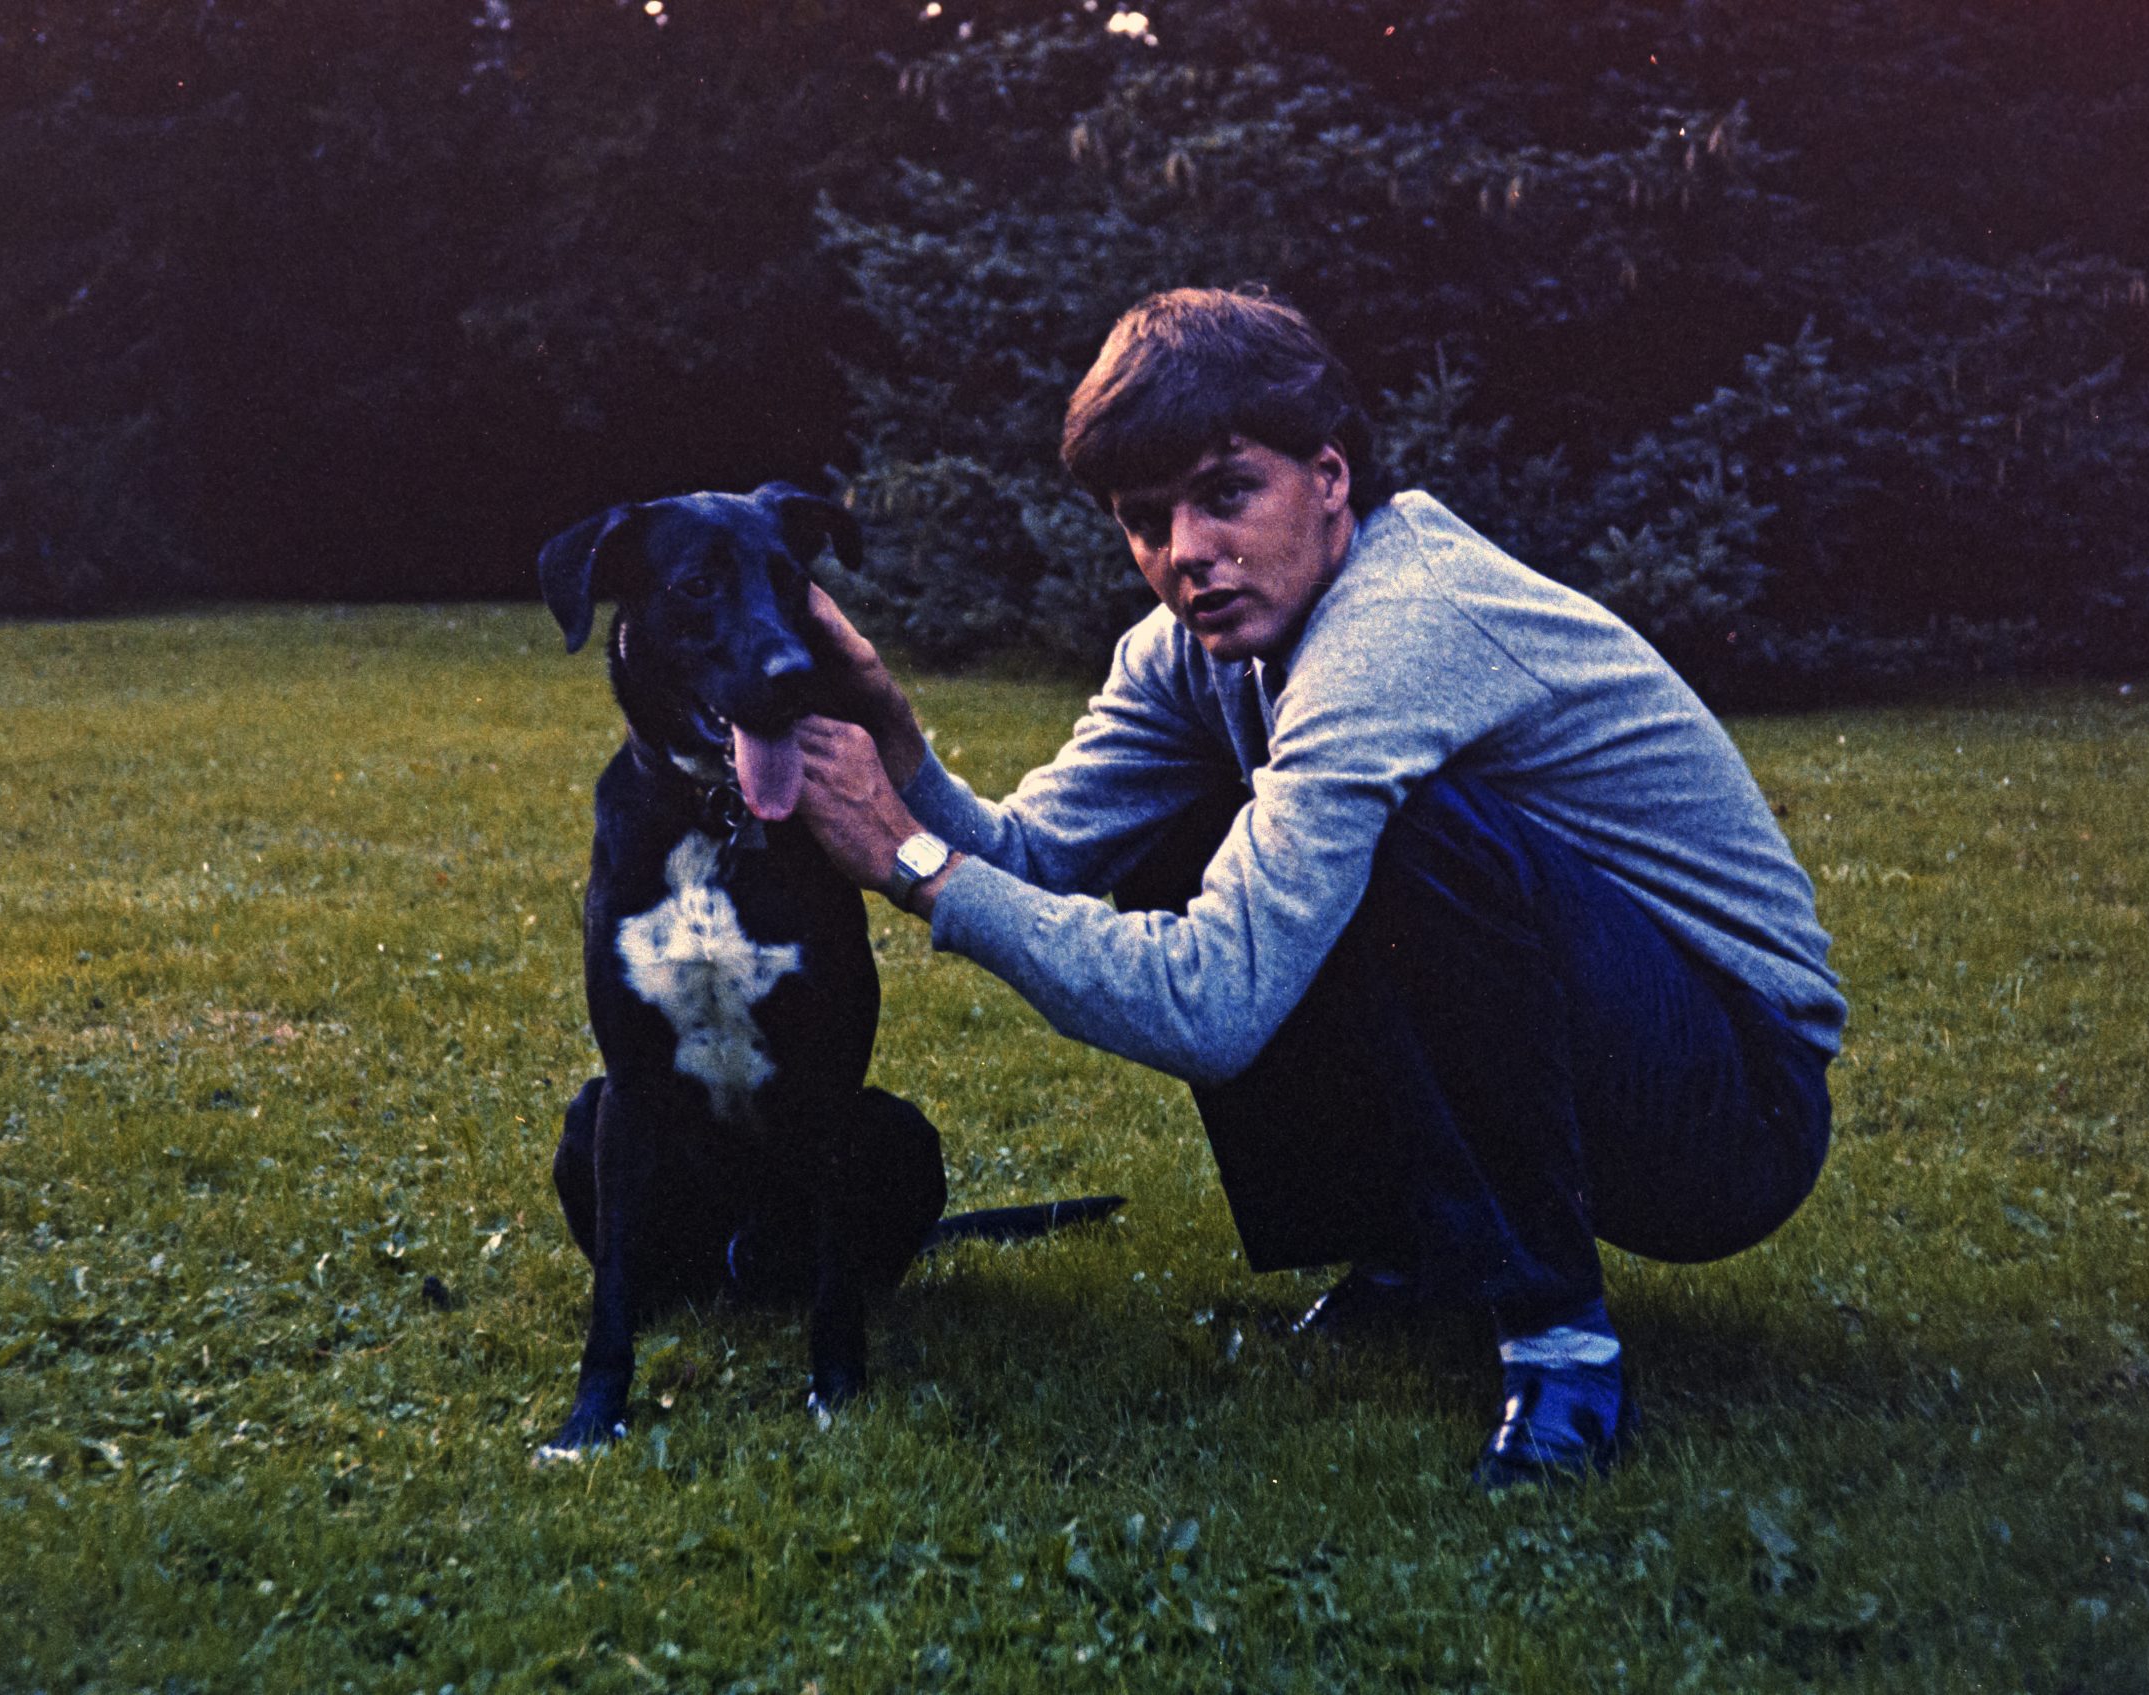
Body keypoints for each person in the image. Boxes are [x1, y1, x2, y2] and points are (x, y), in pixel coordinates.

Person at [790, 287, 1843, 1490]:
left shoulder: (1396, 628)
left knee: (1420, 838)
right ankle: (1413, 1249)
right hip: (1605, 1049)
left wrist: (917, 866)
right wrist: (894, 739)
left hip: (1734, 1110)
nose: (1186, 552)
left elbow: (1211, 1003)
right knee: (1201, 833)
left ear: (1330, 477)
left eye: (1227, 494)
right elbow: (1036, 854)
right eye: (1146, 521)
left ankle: (1561, 1344)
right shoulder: (1193, 651)